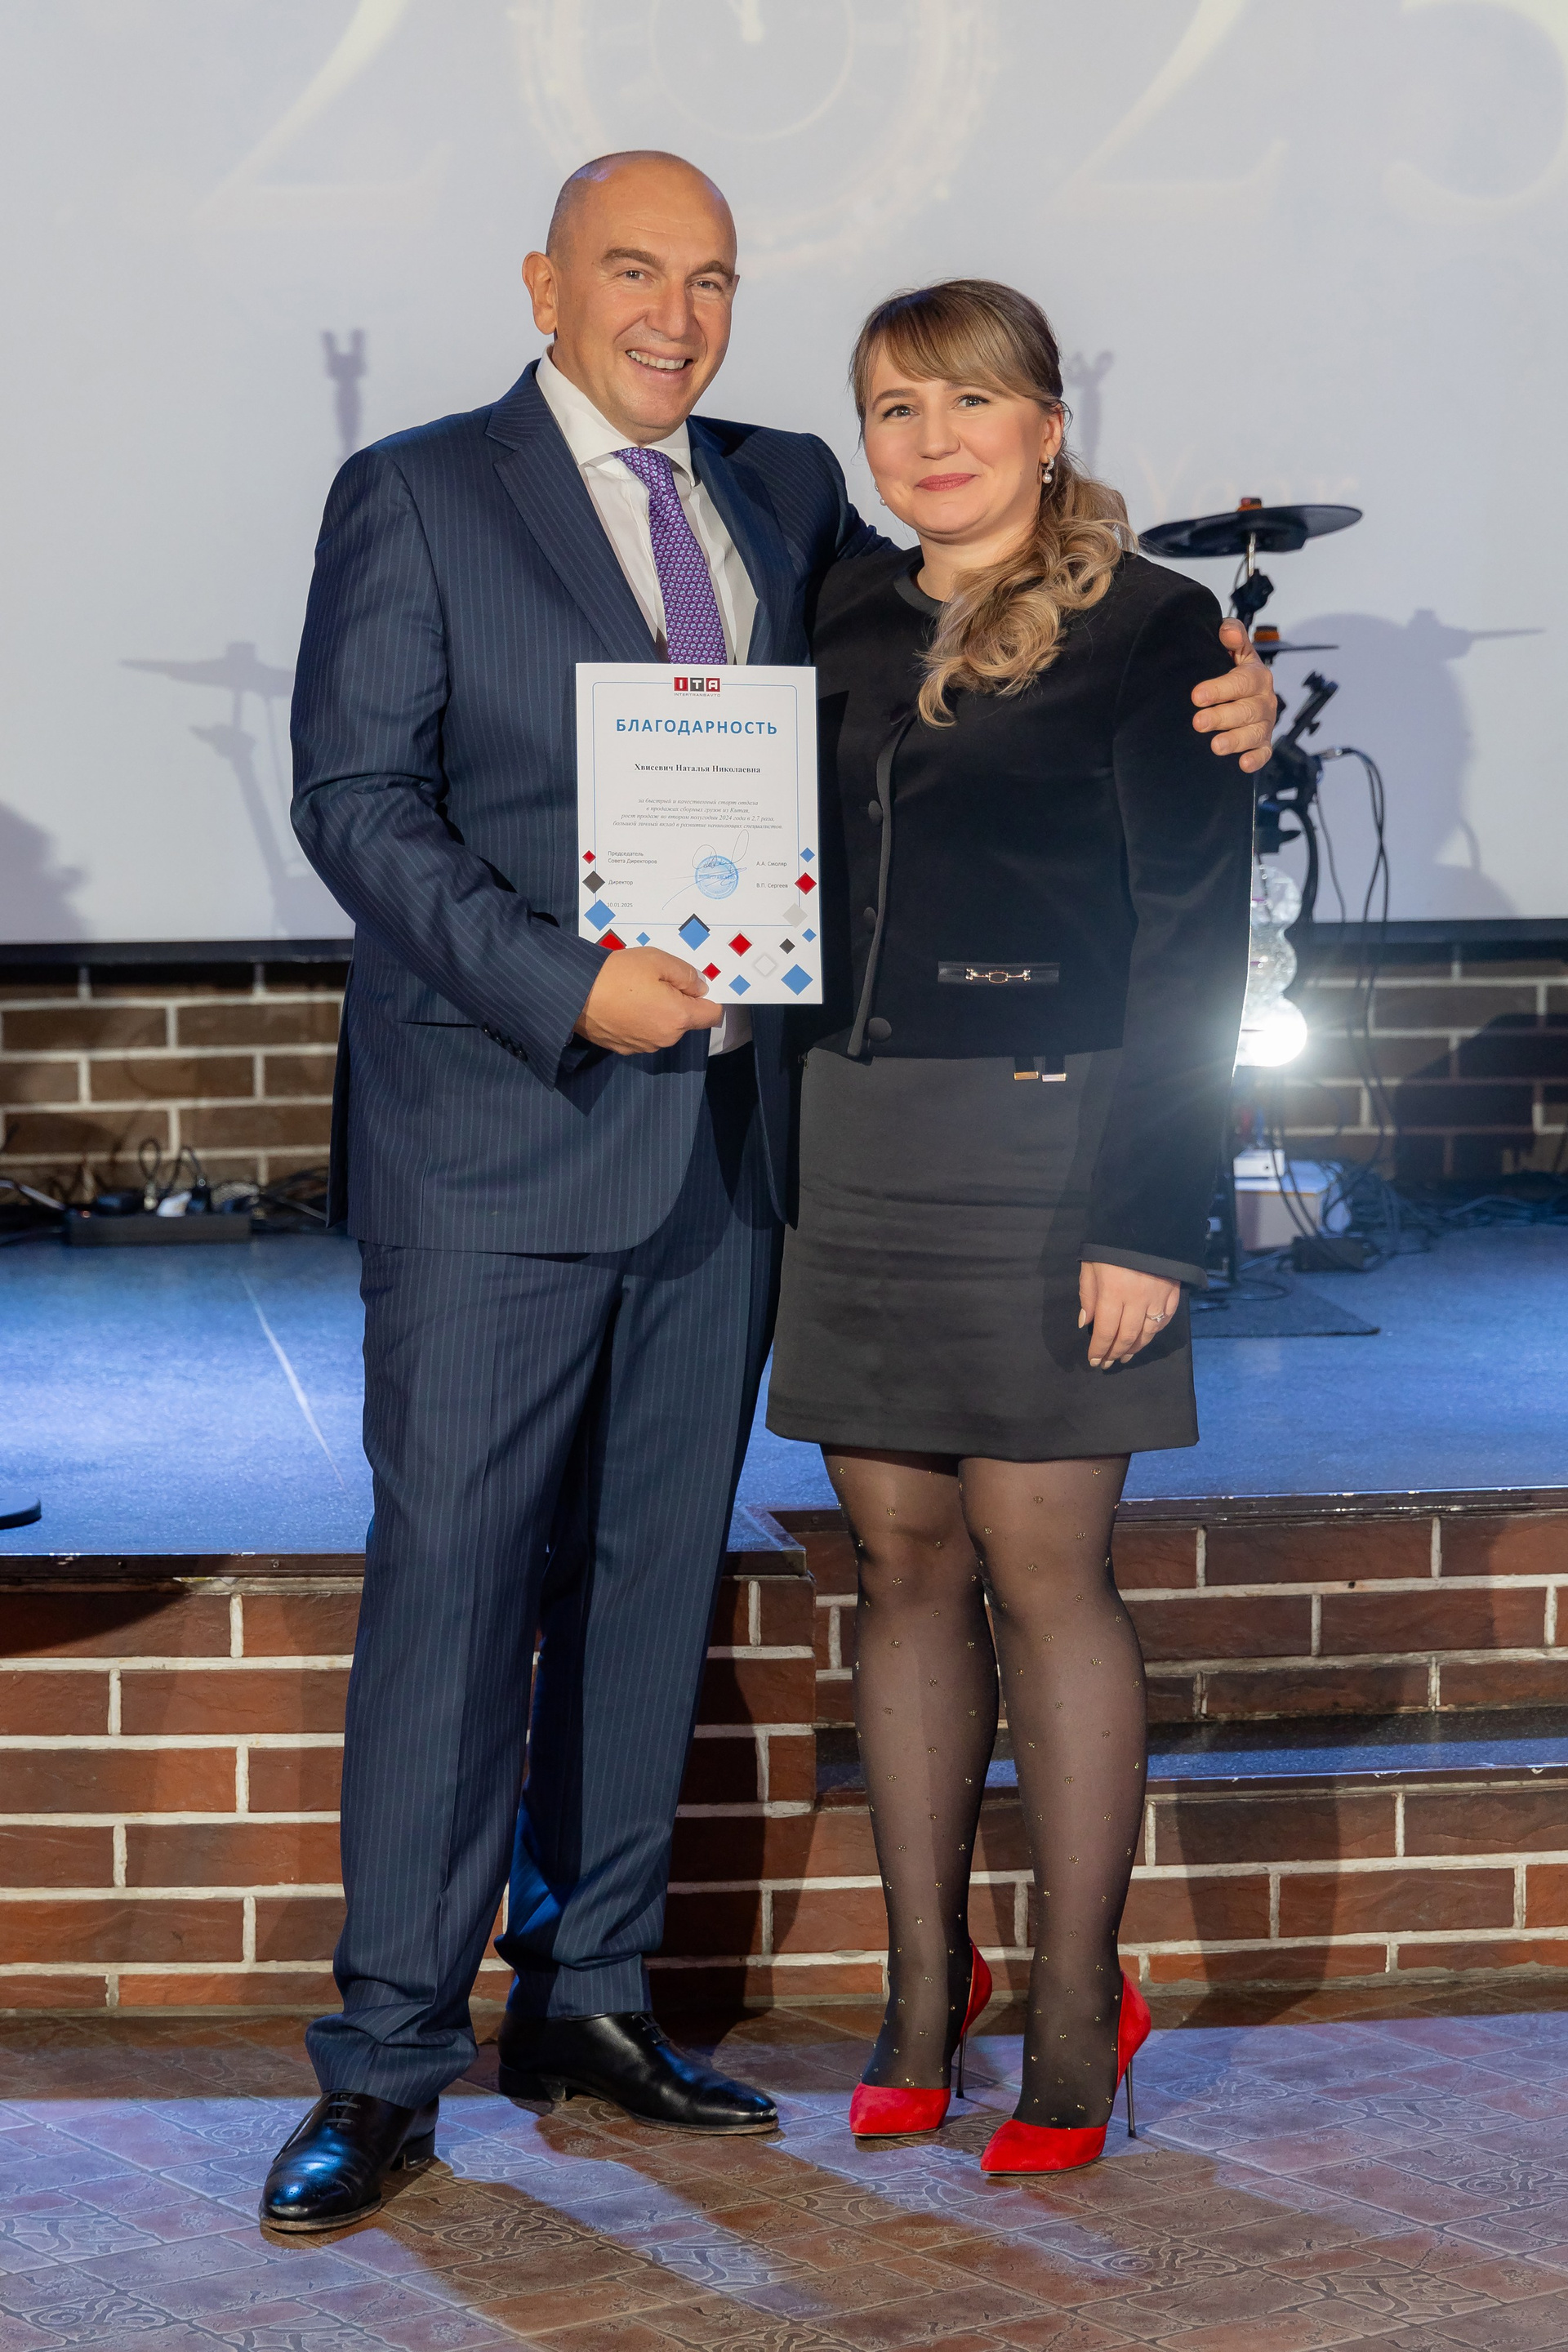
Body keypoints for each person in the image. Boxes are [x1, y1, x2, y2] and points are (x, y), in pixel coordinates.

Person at [263, 156, 1276, 2230]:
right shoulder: (420, 492)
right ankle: (388, 2056)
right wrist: (568, 980)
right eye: (634, 271)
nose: (676, 313)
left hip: (741, 1154)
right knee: (457, 1588)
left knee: (654, 1581)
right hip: (505, 1134)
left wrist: (1230, 693)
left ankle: (592, 2000)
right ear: (543, 283)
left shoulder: (786, 489)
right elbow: (356, 802)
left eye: (713, 278)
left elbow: (1030, 652)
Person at [767, 278, 1256, 2176]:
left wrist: (1151, 1212)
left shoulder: (1154, 630)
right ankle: (919, 1991)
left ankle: (1072, 2003)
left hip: (1064, 1150)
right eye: (895, 409)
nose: (933, 440)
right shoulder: (832, 612)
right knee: (897, 1562)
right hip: (854, 1132)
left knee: (1046, 1569)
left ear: (1048, 425)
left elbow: (1196, 942)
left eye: (971, 403)